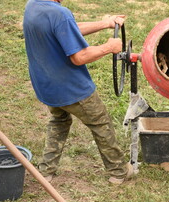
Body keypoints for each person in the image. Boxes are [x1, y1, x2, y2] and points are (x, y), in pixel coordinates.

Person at [22, 0, 133, 184]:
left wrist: (106, 23)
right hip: (71, 88)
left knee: (59, 120)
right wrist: (108, 47)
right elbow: (79, 57)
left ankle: (46, 171)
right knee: (100, 122)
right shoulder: (60, 14)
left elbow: (67, 30)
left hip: (46, 85)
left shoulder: (32, 6)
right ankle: (119, 171)